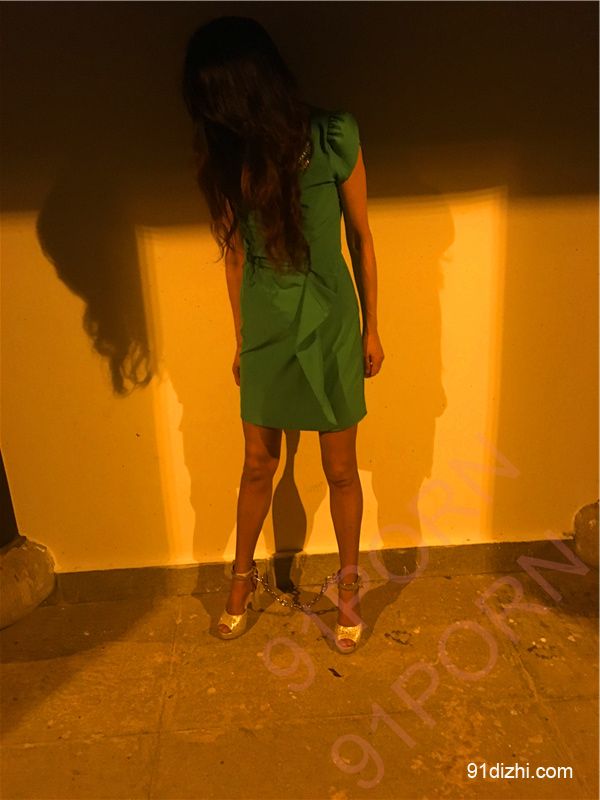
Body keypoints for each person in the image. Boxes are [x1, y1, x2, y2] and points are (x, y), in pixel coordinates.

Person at [182, 15, 384, 653]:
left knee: (340, 466)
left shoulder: (332, 133)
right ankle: (241, 581)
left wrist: (373, 328)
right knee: (257, 463)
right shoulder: (227, 152)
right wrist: (241, 339)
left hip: (330, 318)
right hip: (267, 320)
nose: (209, 113)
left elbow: (361, 238)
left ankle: (348, 585)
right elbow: (236, 255)